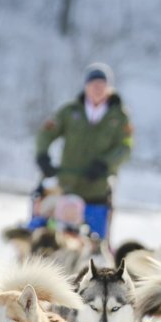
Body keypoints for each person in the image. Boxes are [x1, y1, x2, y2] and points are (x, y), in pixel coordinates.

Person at [35, 62, 132, 241]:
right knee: (57, 238)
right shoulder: (69, 112)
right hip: (67, 187)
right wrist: (42, 155)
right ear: (86, 86)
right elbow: (46, 133)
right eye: (93, 84)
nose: (97, 89)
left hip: (98, 190)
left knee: (94, 242)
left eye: (102, 85)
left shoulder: (119, 117)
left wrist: (105, 164)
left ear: (109, 88)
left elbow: (125, 147)